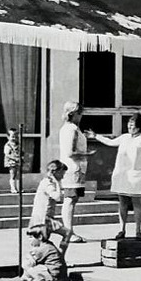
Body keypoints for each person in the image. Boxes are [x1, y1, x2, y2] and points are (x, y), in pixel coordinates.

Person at [90, 115, 141, 240]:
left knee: (136, 203)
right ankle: (121, 229)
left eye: (132, 125)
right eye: (129, 124)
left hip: (135, 176)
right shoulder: (124, 137)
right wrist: (96, 136)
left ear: (139, 127)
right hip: (122, 174)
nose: (130, 127)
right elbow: (111, 142)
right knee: (122, 202)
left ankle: (138, 231)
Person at [57, 101, 89, 243]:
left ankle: (69, 231)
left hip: (75, 168)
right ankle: (68, 232)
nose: (80, 116)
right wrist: (87, 154)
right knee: (70, 200)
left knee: (72, 200)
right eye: (79, 113)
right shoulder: (71, 129)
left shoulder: (70, 128)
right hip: (73, 168)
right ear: (73, 114)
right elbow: (71, 151)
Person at [28, 161, 66, 246]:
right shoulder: (48, 183)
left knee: (42, 241)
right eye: (62, 173)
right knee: (40, 241)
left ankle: (58, 257)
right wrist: (57, 183)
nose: (63, 176)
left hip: (46, 217)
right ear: (55, 172)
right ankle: (35, 257)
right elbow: (57, 197)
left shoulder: (49, 182)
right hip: (42, 218)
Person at [2, 129, 23, 195]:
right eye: (12, 136)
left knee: (19, 175)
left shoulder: (18, 144)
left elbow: (21, 152)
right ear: (8, 137)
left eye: (16, 137)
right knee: (13, 174)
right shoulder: (8, 145)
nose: (14, 138)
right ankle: (13, 188)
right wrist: (14, 158)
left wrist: (21, 156)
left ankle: (19, 188)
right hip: (11, 161)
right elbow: (7, 154)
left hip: (18, 161)